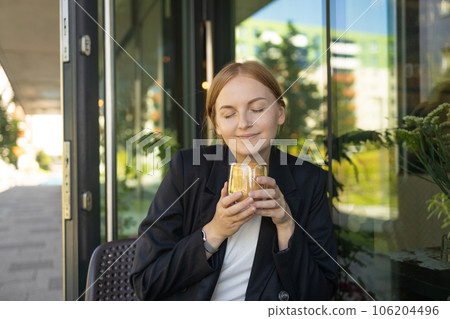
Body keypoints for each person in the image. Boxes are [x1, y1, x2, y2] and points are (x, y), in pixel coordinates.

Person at [130, 61, 337, 300]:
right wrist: (214, 232)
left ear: (280, 112)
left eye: (258, 109)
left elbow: (321, 295)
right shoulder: (188, 170)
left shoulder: (308, 180)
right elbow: (146, 283)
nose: (243, 123)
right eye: (229, 114)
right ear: (216, 123)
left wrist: (286, 225)